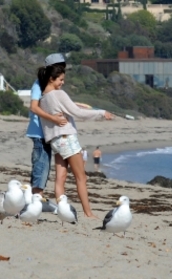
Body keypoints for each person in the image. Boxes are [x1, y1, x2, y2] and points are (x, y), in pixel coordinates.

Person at [37, 64, 113, 218]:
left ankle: (62, 211)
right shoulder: (58, 94)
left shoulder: (42, 99)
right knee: (81, 178)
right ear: (51, 79)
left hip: (55, 142)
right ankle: (88, 213)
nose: (63, 82)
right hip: (67, 139)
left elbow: (64, 109)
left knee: (60, 179)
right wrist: (101, 113)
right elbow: (78, 113)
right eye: (61, 79)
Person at [26, 53, 68, 195]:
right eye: (60, 67)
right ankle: (35, 200)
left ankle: (36, 200)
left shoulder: (55, 86)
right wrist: (53, 119)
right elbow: (33, 107)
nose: (62, 70)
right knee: (41, 167)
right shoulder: (39, 84)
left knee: (44, 168)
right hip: (39, 133)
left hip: (47, 133)